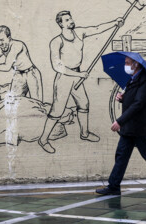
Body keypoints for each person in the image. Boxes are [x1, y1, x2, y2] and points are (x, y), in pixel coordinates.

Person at [38, 10, 124, 153]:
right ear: (60, 24)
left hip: (77, 75)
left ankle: (84, 133)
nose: (70, 21)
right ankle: (43, 139)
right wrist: (78, 75)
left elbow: (97, 29)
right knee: (57, 111)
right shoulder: (56, 41)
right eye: (66, 20)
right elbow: (57, 66)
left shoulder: (80, 33)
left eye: (70, 18)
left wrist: (115, 23)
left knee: (83, 104)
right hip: (64, 78)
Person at [96, 56, 146, 196]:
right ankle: (114, 186)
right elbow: (134, 100)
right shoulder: (133, 79)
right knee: (121, 156)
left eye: (127, 63)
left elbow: (139, 104)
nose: (125, 65)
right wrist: (123, 99)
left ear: (136, 64)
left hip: (139, 127)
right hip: (130, 128)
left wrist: (120, 121)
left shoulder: (144, 80)